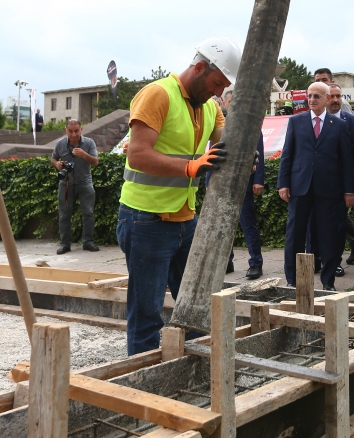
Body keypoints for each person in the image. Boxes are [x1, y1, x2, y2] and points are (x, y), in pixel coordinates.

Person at [117, 37, 240, 355]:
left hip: (184, 220)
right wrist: (190, 167)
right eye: (215, 84)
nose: (218, 93)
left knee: (195, 306)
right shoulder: (157, 95)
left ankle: (192, 372)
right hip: (146, 219)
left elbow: (228, 140)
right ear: (199, 68)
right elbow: (138, 156)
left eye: (223, 88)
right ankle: (143, 387)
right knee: (147, 314)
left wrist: (243, 153)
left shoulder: (210, 106)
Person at [278, 82, 354, 291]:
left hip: (329, 188)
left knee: (329, 235)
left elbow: (346, 160)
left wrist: (349, 190)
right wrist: (283, 183)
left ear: (327, 98)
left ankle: (328, 280)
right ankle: (292, 279)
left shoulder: (338, 125)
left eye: (317, 96)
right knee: (295, 234)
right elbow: (288, 154)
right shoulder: (296, 121)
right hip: (299, 186)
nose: (312, 100)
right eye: (309, 96)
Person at [307, 83, 354, 275]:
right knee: (313, 224)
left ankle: (334, 261)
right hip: (314, 182)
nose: (335, 100)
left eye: (339, 96)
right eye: (332, 96)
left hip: (340, 182)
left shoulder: (350, 121)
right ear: (326, 98)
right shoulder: (308, 120)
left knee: (336, 224)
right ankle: (315, 260)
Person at [50, 119, 99, 255]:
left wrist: (84, 154)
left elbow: (95, 162)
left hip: (85, 182)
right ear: (66, 130)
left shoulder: (89, 143)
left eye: (76, 131)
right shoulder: (60, 144)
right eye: (70, 131)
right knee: (64, 215)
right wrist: (57, 164)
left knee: (88, 213)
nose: (73, 134)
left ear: (81, 129)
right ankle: (65, 244)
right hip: (65, 183)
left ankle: (88, 242)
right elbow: (53, 158)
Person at [224, 133, 265, 278]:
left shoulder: (250, 123)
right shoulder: (220, 123)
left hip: (244, 181)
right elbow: (213, 150)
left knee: (248, 224)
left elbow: (259, 153)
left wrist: (258, 179)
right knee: (224, 225)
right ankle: (226, 262)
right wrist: (209, 179)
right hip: (222, 182)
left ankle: (255, 263)